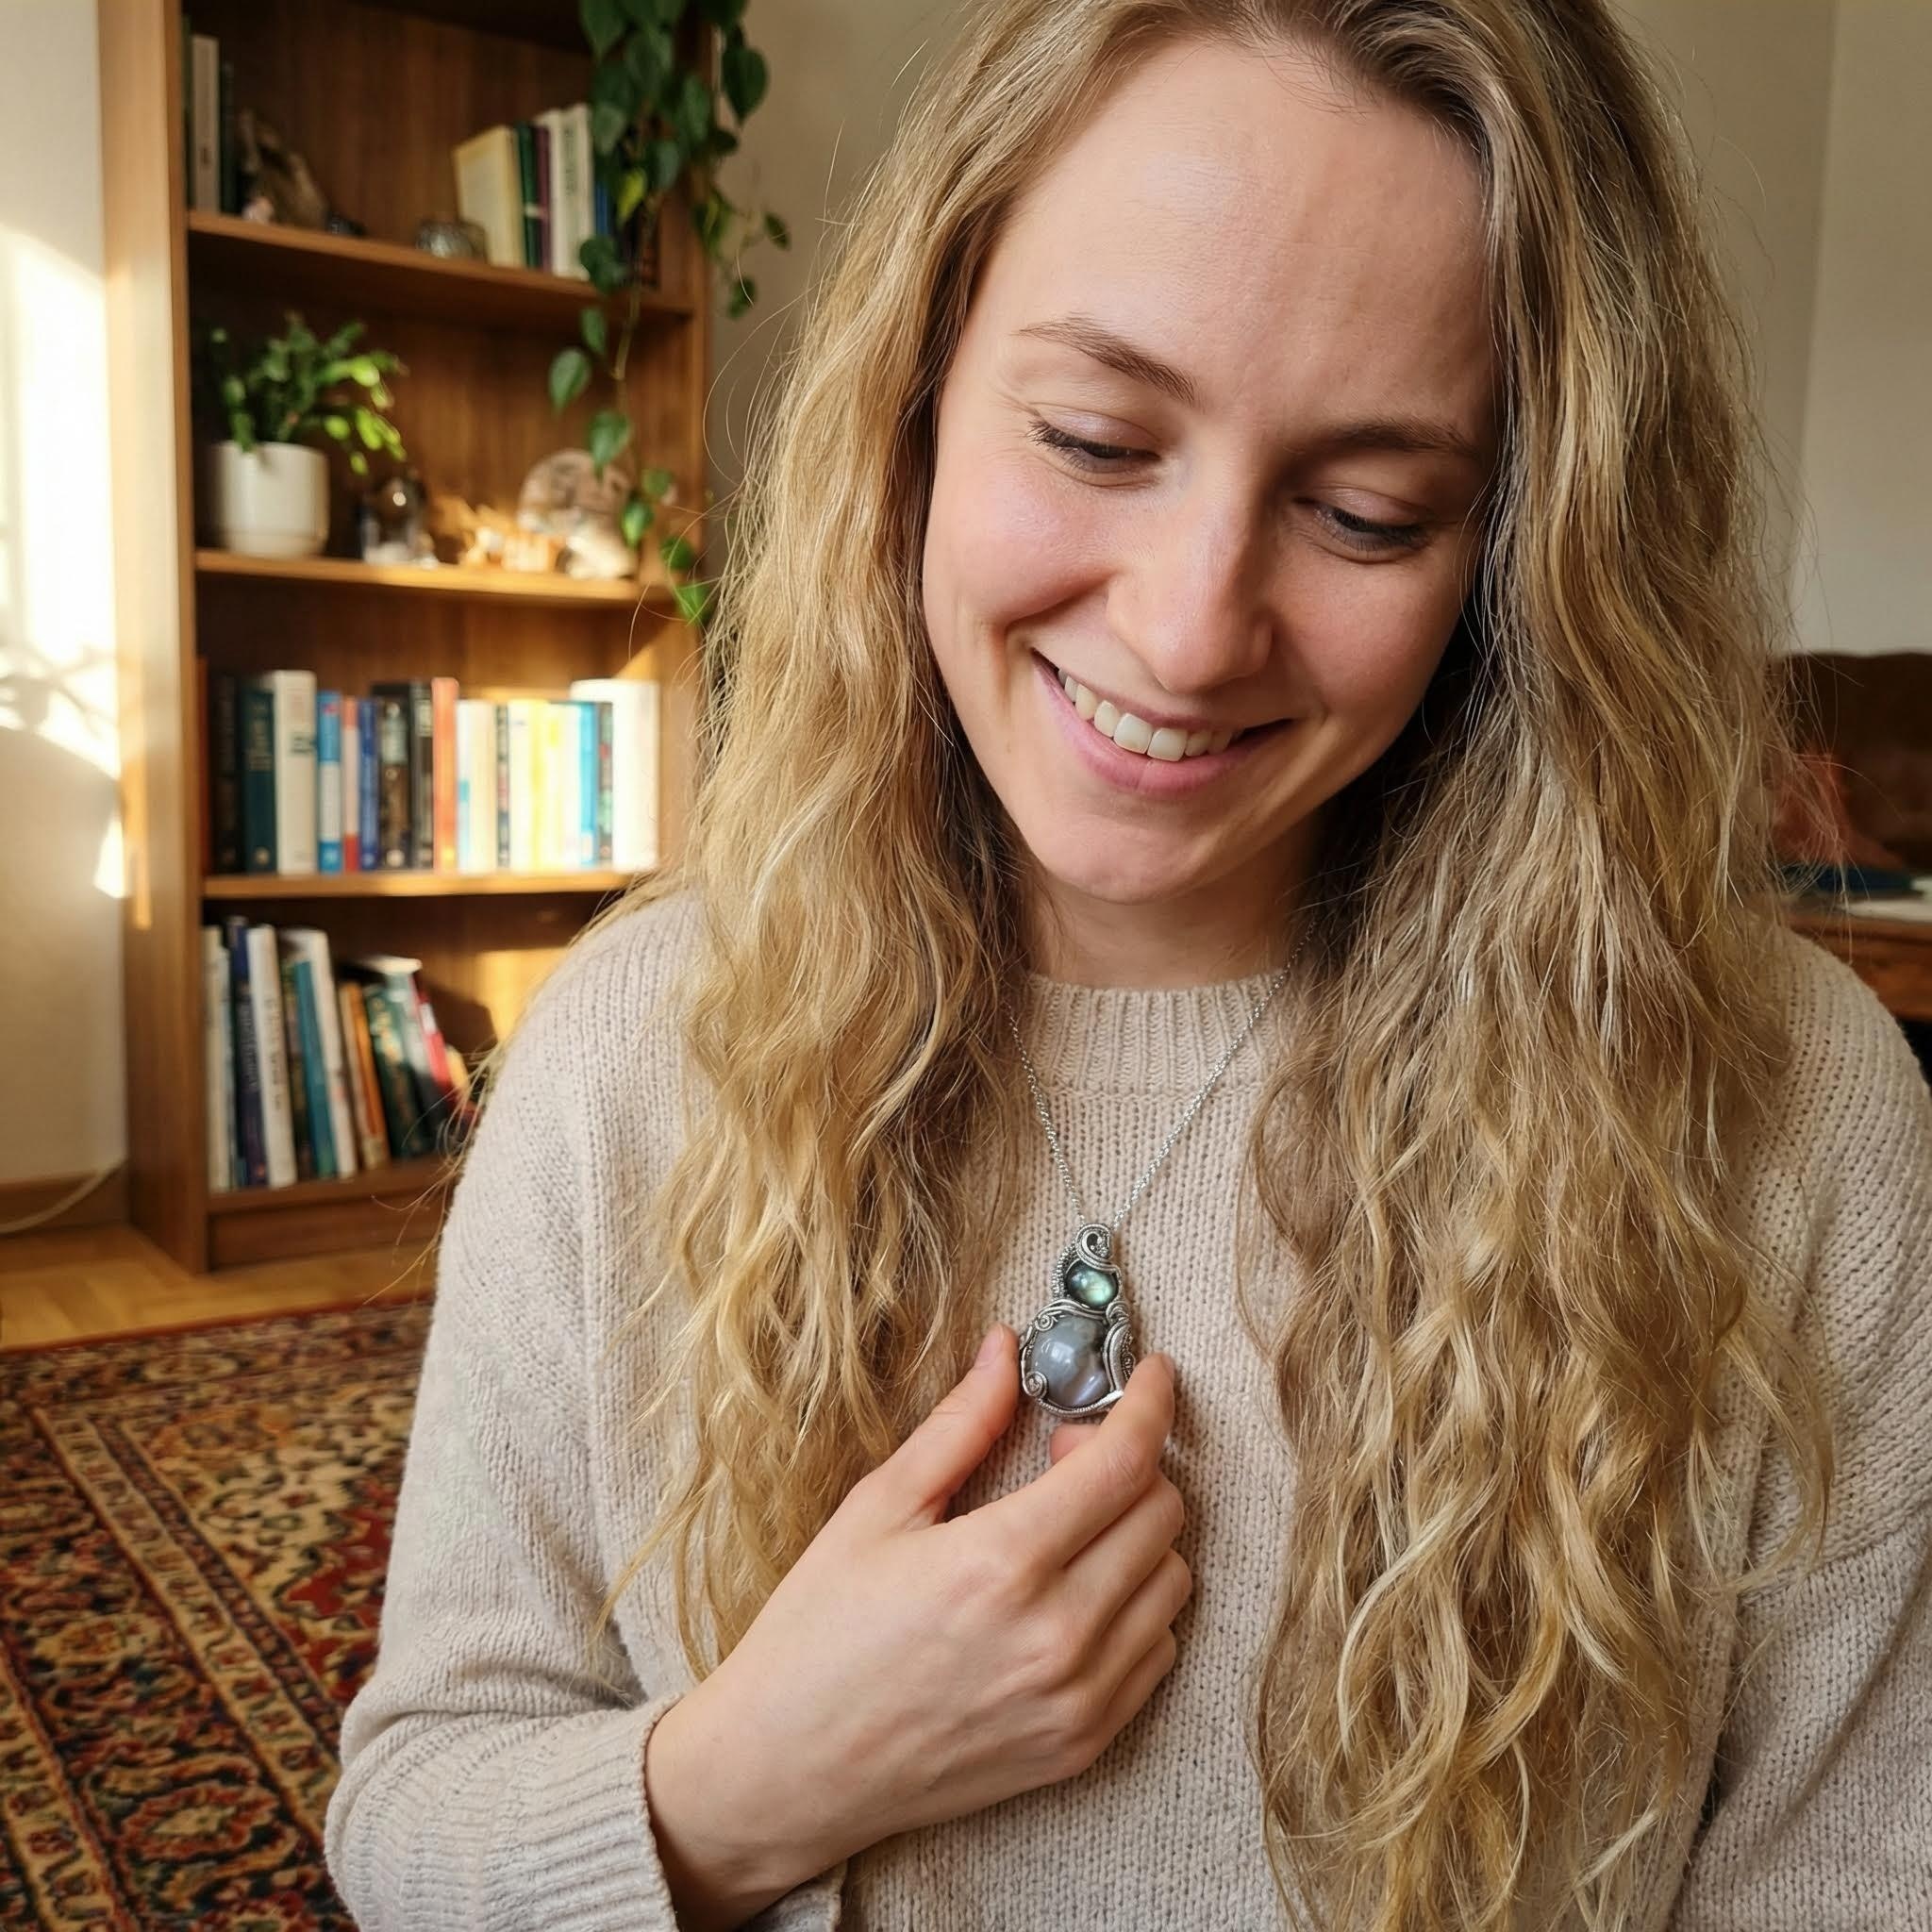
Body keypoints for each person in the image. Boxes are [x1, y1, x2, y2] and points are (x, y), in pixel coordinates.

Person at [323, 0, 1932, 1926]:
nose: (1183, 635)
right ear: (912, 390)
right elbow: (411, 1814)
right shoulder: (632, 1052)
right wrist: (745, 1783)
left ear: (1520, 550)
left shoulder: (1788, 1114)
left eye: (1365, 510)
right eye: (1096, 438)